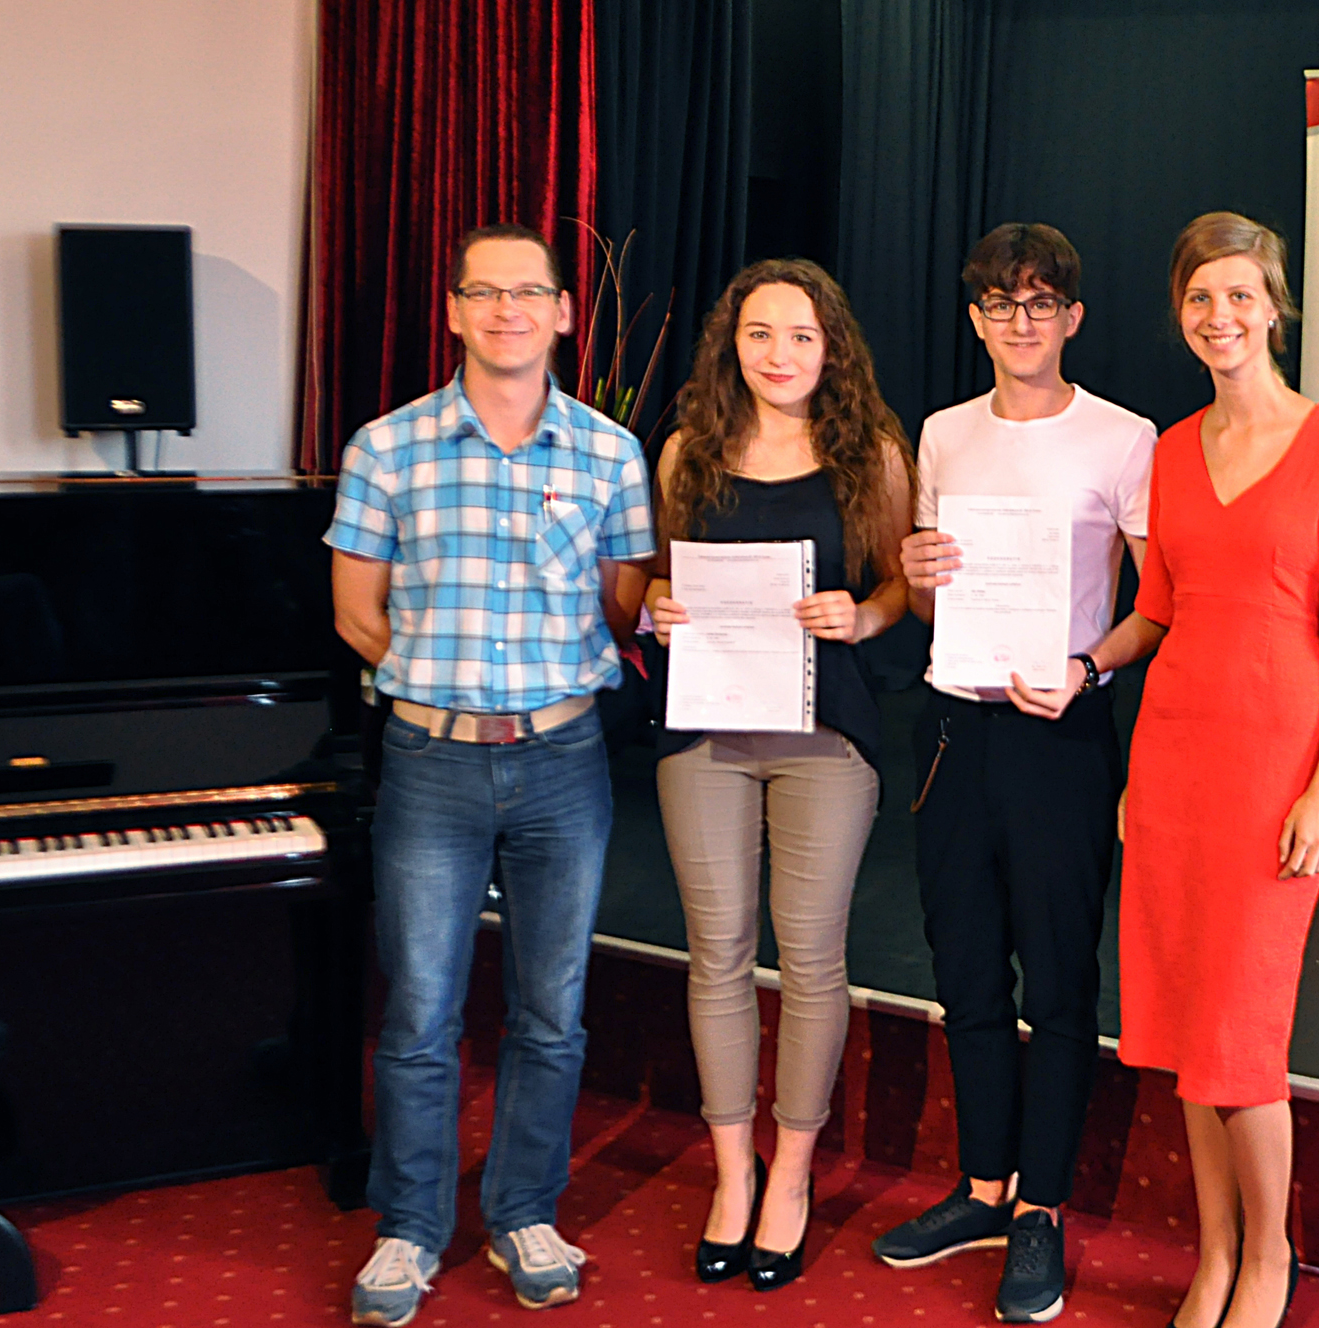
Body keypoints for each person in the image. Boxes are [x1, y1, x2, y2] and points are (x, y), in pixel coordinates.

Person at [1078, 212, 1319, 1328]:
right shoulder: (1172, 452)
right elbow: (1158, 612)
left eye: (1239, 294)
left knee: (1240, 1029)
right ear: (1179, 315)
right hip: (1172, 759)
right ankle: (1215, 1250)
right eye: (1199, 297)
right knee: (1188, 1021)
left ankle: (1270, 1254)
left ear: (1275, 308)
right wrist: (1084, 668)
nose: (1218, 315)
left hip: (1275, 768)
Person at [327, 223, 655, 1325]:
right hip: (432, 763)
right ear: (454, 311)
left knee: (551, 1010)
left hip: (564, 760)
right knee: (420, 1011)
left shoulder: (610, 452)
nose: (506, 310)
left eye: (528, 292)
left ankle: (524, 1210)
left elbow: (625, 610)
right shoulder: (388, 447)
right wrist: (444, 684)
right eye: (484, 292)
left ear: (562, 311)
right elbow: (356, 613)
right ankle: (410, 1226)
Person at [876, 223, 1156, 1324]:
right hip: (954, 728)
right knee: (964, 968)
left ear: (1072, 318)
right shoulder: (943, 434)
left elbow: (1158, 602)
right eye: (1000, 304)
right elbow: (934, 599)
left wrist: (1089, 668)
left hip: (1059, 735)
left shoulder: (1123, 437)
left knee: (1057, 976)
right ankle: (983, 1185)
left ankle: (1041, 1206)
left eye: (1040, 303)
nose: (1020, 321)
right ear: (976, 319)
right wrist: (915, 571)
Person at [643, 259, 914, 1292]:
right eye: (759, 333)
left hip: (824, 735)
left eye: (801, 335)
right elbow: (655, 579)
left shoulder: (869, 455)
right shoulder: (686, 452)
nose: (779, 353)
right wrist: (657, 607)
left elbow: (898, 586)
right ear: (732, 343)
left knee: (809, 958)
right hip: (704, 734)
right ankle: (731, 1174)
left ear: (831, 348)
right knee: (715, 953)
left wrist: (864, 614)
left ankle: (790, 1174)